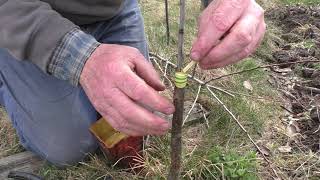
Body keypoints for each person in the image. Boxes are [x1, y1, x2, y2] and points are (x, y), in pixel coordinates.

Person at [0, 0, 266, 167]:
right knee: (67, 148)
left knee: (132, 118)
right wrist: (83, 60)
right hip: (19, 14)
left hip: (112, 9)